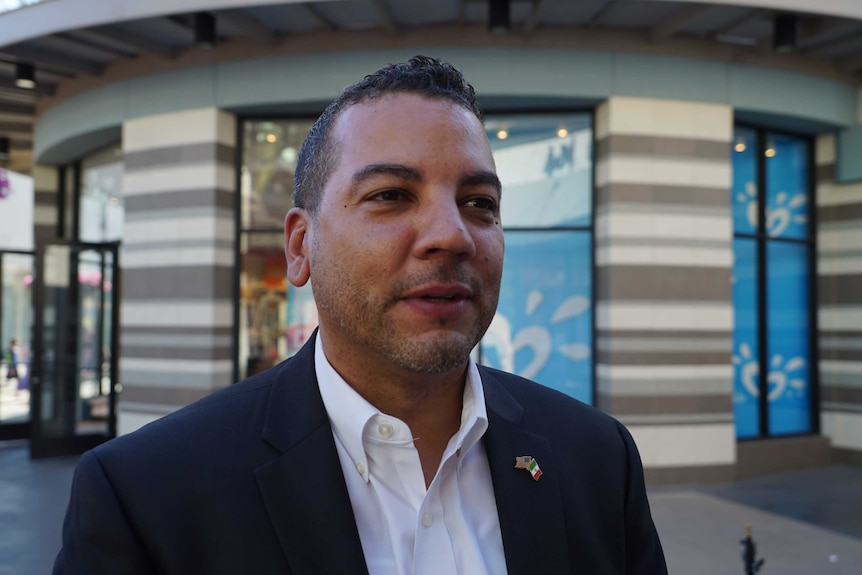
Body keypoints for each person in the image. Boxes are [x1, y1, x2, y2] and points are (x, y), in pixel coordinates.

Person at [54, 55, 667, 574]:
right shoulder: (145, 497)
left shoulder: (596, 460)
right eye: (391, 196)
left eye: (479, 203)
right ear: (300, 246)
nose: (452, 236)